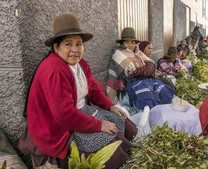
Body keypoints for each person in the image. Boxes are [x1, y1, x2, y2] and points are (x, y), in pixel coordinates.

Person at [18, 14, 138, 169]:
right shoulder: (55, 70)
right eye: (68, 44)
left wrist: (110, 106)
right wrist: (98, 125)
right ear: (56, 47)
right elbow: (64, 115)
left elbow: (93, 88)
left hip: (79, 111)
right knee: (106, 140)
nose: (75, 50)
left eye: (79, 44)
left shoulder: (80, 63)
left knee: (120, 120)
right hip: (56, 124)